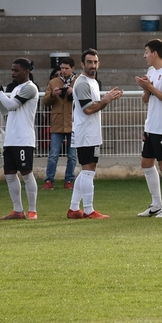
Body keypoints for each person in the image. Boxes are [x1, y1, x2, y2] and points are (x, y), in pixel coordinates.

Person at [67, 49, 123, 219]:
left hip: (91, 132)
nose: (93, 65)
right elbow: (89, 109)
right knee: (88, 170)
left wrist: (106, 100)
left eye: (95, 62)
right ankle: (89, 210)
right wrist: (105, 100)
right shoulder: (82, 83)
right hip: (85, 133)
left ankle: (74, 208)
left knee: (87, 170)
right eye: (89, 62)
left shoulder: (93, 82)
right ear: (82, 64)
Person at [0, 59, 40, 220]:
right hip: (11, 139)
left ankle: (32, 210)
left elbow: (11, 105)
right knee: (9, 174)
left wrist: (0, 91)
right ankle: (18, 210)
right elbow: (4, 110)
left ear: (26, 71)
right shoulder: (16, 89)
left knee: (26, 173)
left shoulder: (30, 88)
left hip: (24, 139)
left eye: (16, 70)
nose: (13, 73)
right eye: (12, 70)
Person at [135, 39, 162, 218]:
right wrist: (146, 89)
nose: (144, 55)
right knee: (146, 163)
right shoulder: (151, 71)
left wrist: (150, 87)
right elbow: (146, 100)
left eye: (146, 52)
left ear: (155, 53)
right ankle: (156, 205)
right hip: (151, 125)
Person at [42, 56, 77, 190]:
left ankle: (69, 180)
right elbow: (45, 102)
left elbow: (86, 97)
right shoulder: (53, 82)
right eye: (62, 68)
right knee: (53, 154)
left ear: (72, 68)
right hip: (57, 123)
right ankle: (49, 180)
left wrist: (74, 92)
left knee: (72, 156)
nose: (63, 70)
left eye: (66, 68)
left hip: (73, 122)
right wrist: (52, 95)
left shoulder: (79, 81)